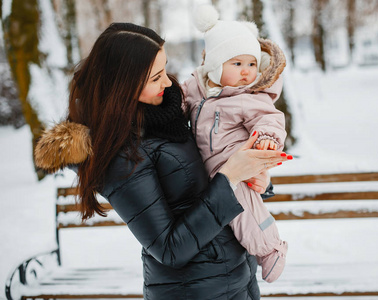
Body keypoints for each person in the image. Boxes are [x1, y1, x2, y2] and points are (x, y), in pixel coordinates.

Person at [34, 23, 290, 299]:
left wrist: (253, 176)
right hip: (194, 290)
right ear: (123, 85)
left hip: (237, 276)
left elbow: (210, 162)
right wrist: (229, 179)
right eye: (155, 77)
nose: (168, 83)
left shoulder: (169, 111)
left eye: (164, 69)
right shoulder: (119, 152)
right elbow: (169, 248)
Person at [182, 5, 289, 283]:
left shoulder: (249, 97)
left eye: (252, 64)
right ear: (215, 66)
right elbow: (179, 100)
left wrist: (266, 138)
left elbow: (269, 119)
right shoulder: (197, 87)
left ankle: (270, 249)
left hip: (235, 168)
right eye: (237, 64)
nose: (246, 72)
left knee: (245, 209)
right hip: (209, 172)